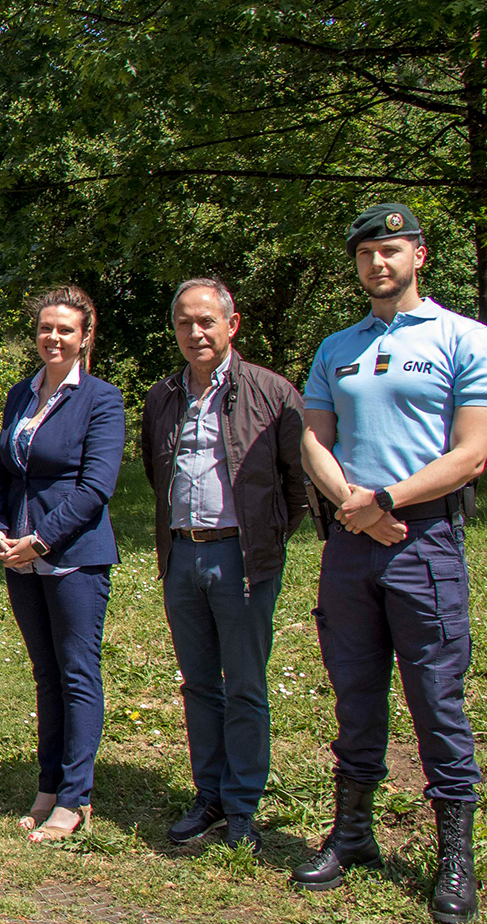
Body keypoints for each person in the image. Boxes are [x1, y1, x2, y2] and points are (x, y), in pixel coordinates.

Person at [293, 203, 487, 924]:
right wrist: (354, 503)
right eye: (366, 253)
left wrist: (385, 500)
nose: (378, 263)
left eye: (391, 249)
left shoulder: (462, 338)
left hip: (424, 541)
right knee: (354, 694)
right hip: (352, 545)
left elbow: (472, 451)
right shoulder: (336, 347)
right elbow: (314, 438)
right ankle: (352, 834)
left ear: (420, 255)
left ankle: (454, 857)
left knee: (437, 700)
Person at [141, 279, 308, 852]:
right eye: (185, 322)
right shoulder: (162, 396)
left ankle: (242, 807)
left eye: (206, 321)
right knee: (198, 685)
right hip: (182, 554)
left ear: (231, 325)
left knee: (244, 685)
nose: (195, 332)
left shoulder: (272, 392)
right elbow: (152, 471)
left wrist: (263, 539)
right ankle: (208, 795)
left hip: (242, 556)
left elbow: (298, 481)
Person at [0, 286, 125, 843]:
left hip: (73, 557)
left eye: (66, 329)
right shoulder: (20, 394)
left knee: (77, 673)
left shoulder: (101, 399)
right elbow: (2, 470)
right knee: (46, 675)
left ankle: (75, 797)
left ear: (85, 337)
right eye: (46, 328)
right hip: (18, 555)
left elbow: (96, 487)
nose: (54, 338)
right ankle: (48, 784)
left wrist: (40, 541)